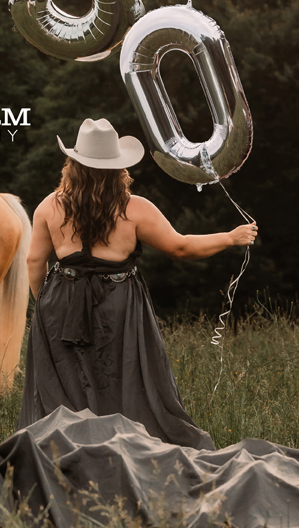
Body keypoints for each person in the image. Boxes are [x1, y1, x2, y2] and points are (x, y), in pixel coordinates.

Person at [16, 118, 258, 450]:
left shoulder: (48, 206)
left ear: (72, 165)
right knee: (121, 380)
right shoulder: (135, 208)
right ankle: (127, 452)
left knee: (65, 386)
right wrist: (230, 238)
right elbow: (180, 247)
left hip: (59, 302)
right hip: (117, 303)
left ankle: (65, 456)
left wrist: (46, 306)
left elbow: (34, 261)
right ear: (118, 168)